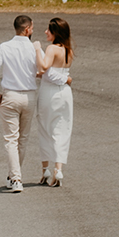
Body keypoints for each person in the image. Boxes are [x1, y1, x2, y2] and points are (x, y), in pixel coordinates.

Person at [0, 15, 40, 193]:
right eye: (32, 28)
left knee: (11, 139)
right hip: (29, 96)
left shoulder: (4, 47)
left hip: (10, 95)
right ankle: (14, 176)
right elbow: (41, 70)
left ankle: (15, 177)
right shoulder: (34, 49)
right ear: (27, 29)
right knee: (22, 139)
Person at [35, 17, 74, 187]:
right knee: (62, 129)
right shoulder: (68, 50)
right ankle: (58, 169)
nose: (45, 32)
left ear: (55, 33)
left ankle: (45, 169)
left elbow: (43, 67)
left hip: (49, 93)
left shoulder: (51, 49)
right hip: (65, 94)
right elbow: (53, 72)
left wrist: (37, 49)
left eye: (48, 30)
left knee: (45, 128)